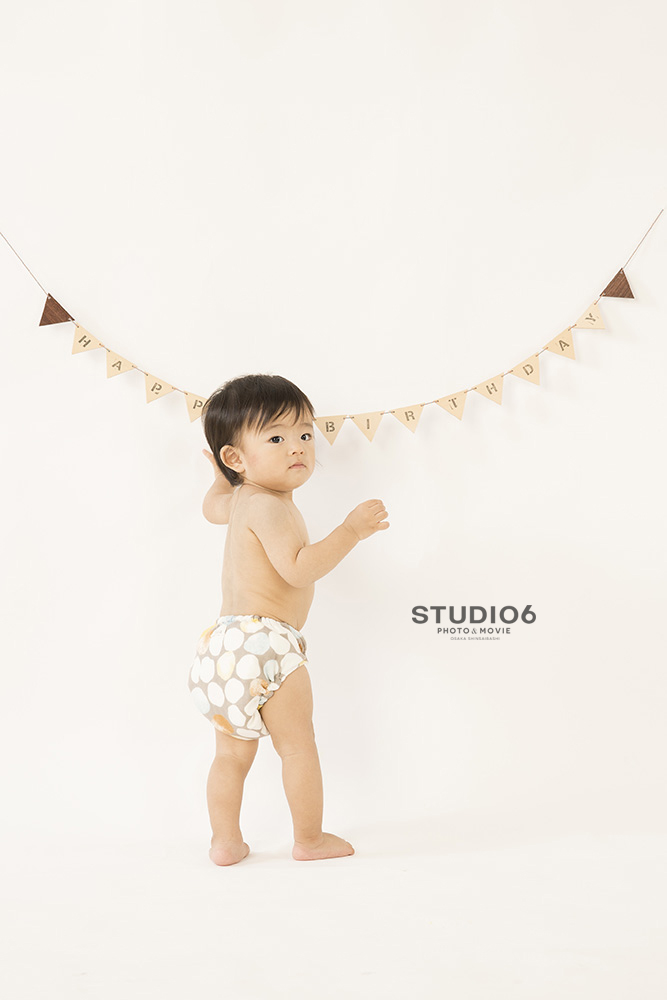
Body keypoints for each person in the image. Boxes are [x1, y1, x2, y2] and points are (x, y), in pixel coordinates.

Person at [188, 373, 390, 865]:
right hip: (268, 645)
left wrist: (221, 477)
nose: (297, 447)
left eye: (304, 433)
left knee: (229, 757)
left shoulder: (240, 499)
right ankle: (310, 840)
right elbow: (298, 569)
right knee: (298, 748)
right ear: (237, 457)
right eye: (276, 438)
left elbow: (211, 507)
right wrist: (351, 531)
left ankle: (225, 843)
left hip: (222, 649)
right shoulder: (269, 507)